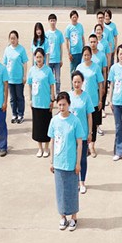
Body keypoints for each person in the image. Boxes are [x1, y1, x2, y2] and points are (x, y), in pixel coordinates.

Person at [48, 92, 83, 232]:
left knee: (72, 190)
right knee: (60, 191)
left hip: (71, 162)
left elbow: (79, 143)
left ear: (69, 104)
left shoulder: (75, 121)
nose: (62, 107)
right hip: (58, 162)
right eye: (59, 105)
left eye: (64, 105)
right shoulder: (54, 121)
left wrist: (78, 162)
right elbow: (52, 141)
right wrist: (51, 161)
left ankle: (74, 217)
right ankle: (62, 216)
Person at [27, 48, 56, 158]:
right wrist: (30, 100)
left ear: (44, 57)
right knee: (38, 127)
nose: (38, 59)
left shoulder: (48, 70)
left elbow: (52, 85)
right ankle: (40, 148)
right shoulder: (32, 70)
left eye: (40, 57)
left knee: (46, 126)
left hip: (46, 103)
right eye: (37, 57)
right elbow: (29, 85)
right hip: (36, 103)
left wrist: (52, 100)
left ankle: (47, 148)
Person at [76, 46, 104, 157]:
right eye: (85, 55)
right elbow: (75, 83)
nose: (86, 57)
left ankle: (92, 146)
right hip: (82, 100)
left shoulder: (96, 68)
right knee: (84, 124)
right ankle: (85, 147)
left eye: (88, 55)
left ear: (91, 56)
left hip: (94, 100)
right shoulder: (79, 67)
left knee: (93, 124)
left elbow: (100, 84)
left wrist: (101, 100)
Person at [69, 71, 94, 194]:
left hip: (82, 134)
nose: (77, 84)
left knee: (82, 158)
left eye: (79, 82)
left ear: (82, 82)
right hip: (70, 134)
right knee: (72, 158)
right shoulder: (68, 96)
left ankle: (82, 182)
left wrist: (90, 132)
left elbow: (89, 116)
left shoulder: (86, 97)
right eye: (75, 82)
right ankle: (74, 181)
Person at [4, 30, 28, 124]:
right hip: (10, 79)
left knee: (19, 97)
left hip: (19, 79)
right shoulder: (7, 49)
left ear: (17, 39)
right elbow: (5, 64)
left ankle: (21, 114)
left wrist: (24, 76)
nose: (12, 40)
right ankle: (14, 114)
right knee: (12, 98)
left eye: (14, 38)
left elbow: (25, 63)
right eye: (11, 38)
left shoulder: (21, 49)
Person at [88, 34, 108, 138]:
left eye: (94, 42)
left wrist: (104, 85)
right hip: (89, 86)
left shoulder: (102, 55)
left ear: (97, 42)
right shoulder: (87, 55)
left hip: (98, 85)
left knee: (97, 108)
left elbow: (104, 71)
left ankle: (97, 127)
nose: (93, 44)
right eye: (91, 42)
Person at [46, 13, 65, 93]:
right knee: (49, 78)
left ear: (56, 21)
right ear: (49, 21)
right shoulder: (46, 34)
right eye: (51, 21)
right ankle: (50, 93)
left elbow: (61, 47)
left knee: (57, 78)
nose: (52, 22)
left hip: (57, 60)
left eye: (54, 20)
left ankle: (57, 93)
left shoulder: (59, 33)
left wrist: (61, 59)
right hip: (49, 60)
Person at [65, 10, 85, 81]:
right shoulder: (68, 28)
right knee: (73, 71)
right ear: (70, 18)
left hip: (80, 52)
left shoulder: (80, 26)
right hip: (73, 53)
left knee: (81, 70)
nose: (74, 18)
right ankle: (73, 85)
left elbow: (82, 38)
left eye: (75, 17)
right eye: (73, 17)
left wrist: (84, 48)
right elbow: (66, 41)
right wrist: (68, 53)